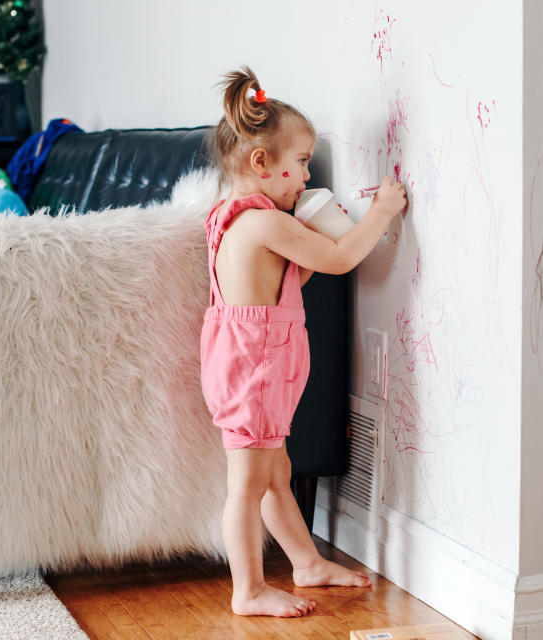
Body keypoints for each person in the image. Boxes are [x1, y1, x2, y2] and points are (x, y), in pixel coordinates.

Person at [200, 66, 408, 618]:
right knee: (248, 483)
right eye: (300, 163)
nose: (306, 175)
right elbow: (339, 260)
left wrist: (310, 237)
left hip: (251, 364)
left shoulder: (234, 217)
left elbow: (294, 280)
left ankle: (306, 562)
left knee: (276, 474)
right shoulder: (264, 223)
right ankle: (247, 589)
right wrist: (382, 213)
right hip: (256, 369)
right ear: (261, 163)